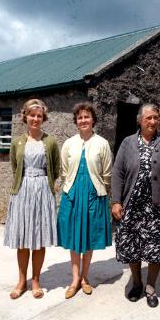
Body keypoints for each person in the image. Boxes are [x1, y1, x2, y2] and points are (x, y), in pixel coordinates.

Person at [111, 103, 160, 308]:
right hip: (133, 204)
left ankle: (150, 286)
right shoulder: (128, 142)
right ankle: (137, 282)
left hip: (159, 206)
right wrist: (116, 201)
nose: (153, 121)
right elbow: (118, 173)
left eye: (156, 117)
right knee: (133, 246)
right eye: (148, 118)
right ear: (139, 120)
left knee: (156, 247)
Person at [3, 98, 60, 299]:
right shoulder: (17, 142)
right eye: (32, 115)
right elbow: (14, 167)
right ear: (25, 116)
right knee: (22, 239)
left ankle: (36, 280)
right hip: (23, 190)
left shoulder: (51, 141)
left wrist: (44, 184)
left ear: (43, 118)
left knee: (39, 239)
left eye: (39, 115)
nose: (35, 118)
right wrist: (26, 184)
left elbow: (56, 167)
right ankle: (21, 281)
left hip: (43, 191)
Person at [57, 102, 113, 299]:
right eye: (80, 117)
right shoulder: (69, 144)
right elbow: (64, 171)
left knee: (88, 238)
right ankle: (74, 280)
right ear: (76, 121)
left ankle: (85, 278)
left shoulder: (102, 143)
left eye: (86, 117)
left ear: (93, 119)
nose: (83, 120)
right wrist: (70, 188)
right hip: (72, 193)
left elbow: (107, 173)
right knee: (74, 238)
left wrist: (100, 191)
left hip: (93, 195)